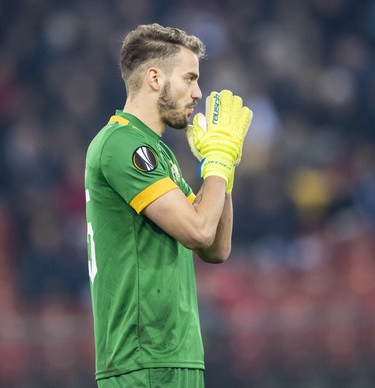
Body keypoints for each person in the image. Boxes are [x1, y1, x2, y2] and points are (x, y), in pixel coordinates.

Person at [84, 23, 252, 387]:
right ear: (155, 78)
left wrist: (221, 171)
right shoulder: (123, 145)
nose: (197, 92)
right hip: (142, 360)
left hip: (176, 355)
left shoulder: (157, 152)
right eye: (189, 79)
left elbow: (216, 248)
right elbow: (198, 231)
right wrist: (218, 165)